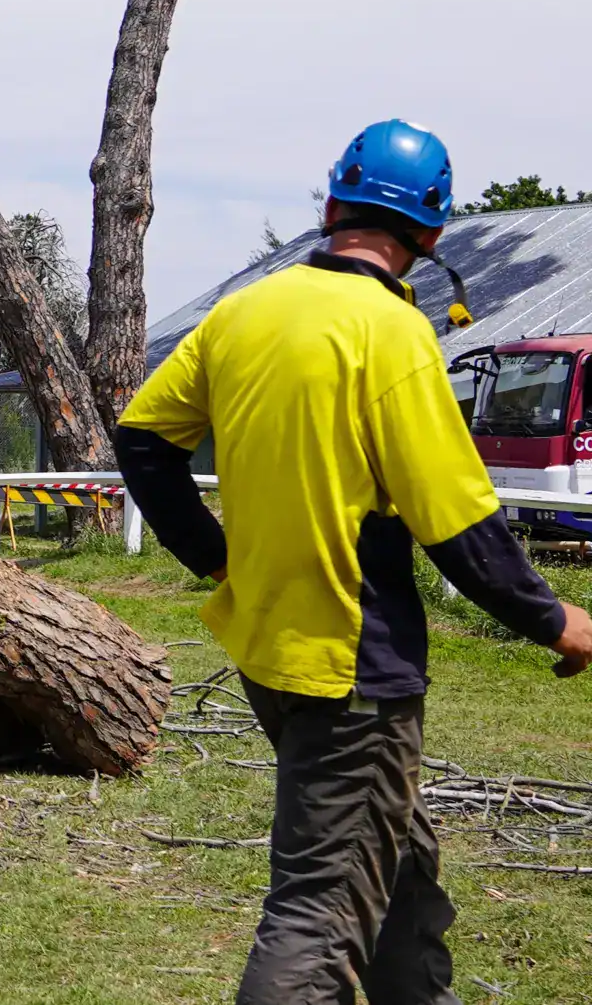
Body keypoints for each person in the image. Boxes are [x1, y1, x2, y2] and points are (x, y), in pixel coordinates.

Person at [117, 119, 592, 1004]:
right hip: (352, 666)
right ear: (434, 235)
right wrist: (555, 616)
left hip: (271, 650)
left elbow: (143, 441)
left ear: (333, 205)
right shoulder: (391, 332)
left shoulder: (243, 312)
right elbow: (456, 518)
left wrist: (220, 558)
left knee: (397, 863)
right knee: (318, 916)